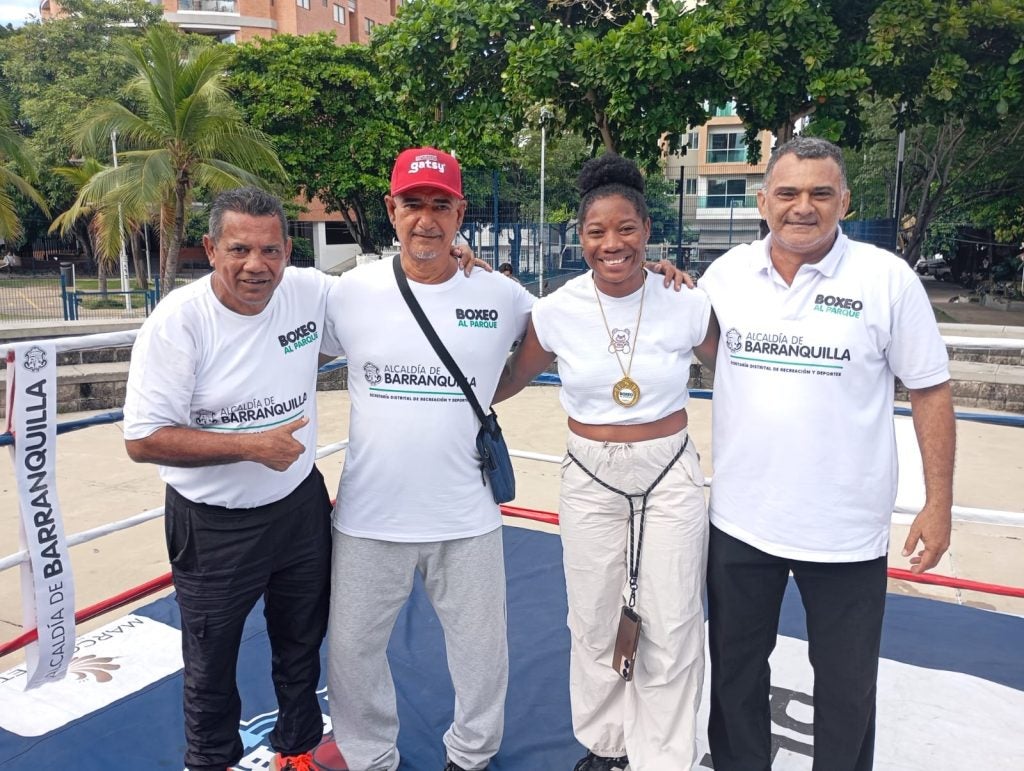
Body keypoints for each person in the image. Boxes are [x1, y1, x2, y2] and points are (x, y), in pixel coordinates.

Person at [318, 147, 689, 771]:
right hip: (367, 514)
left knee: (481, 655)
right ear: (391, 209)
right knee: (353, 653)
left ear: (461, 211)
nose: (427, 220)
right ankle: (370, 757)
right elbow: (274, 325)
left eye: (441, 206)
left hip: (466, 514)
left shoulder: (504, 296)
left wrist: (657, 273)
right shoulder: (348, 294)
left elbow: (595, 301)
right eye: (413, 204)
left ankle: (471, 757)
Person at [698, 136, 955, 771]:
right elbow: (686, 341)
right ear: (763, 201)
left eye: (819, 193)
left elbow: (930, 392)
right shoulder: (724, 276)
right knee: (733, 676)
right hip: (740, 522)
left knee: (845, 691)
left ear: (844, 200)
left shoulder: (886, 279)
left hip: (845, 530)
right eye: (787, 192)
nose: (802, 206)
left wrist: (938, 504)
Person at [493, 153, 718, 771]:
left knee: (672, 620)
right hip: (590, 475)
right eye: (597, 232)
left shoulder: (685, 300)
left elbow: (735, 370)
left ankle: (665, 756)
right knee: (592, 617)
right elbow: (508, 379)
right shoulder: (557, 310)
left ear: (647, 232)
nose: (611, 244)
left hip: (669, 470)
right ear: (580, 237)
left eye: (625, 230)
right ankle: (605, 744)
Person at [122, 187, 335, 771]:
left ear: (289, 251)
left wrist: (458, 262)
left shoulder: (311, 293)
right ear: (212, 248)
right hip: (213, 525)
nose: (256, 265)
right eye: (239, 249)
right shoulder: (178, 323)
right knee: (211, 661)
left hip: (298, 507)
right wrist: (250, 448)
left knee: (301, 644)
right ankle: (209, 761)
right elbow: (142, 438)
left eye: (270, 250)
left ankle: (298, 752)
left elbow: (391, 295)